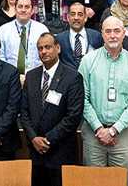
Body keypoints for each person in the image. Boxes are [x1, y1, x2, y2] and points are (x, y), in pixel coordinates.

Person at [79, 16, 128, 183]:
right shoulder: (88, 61)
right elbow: (82, 99)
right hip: (94, 135)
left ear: (124, 33)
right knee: (93, 182)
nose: (113, 35)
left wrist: (114, 130)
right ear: (102, 34)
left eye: (117, 31)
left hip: (122, 136)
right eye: (108, 31)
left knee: (121, 182)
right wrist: (99, 129)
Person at [19, 33, 84, 186]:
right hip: (36, 152)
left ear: (58, 48)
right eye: (40, 48)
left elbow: (73, 116)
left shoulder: (73, 77)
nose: (44, 52)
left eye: (48, 47)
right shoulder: (31, 76)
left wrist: (48, 140)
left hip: (61, 151)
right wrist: (34, 138)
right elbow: (24, 112)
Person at [0, 0, 51, 75]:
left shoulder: (42, 30)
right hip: (9, 76)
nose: (23, 10)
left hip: (36, 76)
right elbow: (0, 56)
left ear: (32, 10)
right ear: (15, 9)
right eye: (20, 7)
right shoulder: (3, 30)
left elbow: (47, 55)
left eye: (27, 7)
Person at [56, 2, 103, 69]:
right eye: (73, 14)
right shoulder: (59, 39)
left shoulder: (96, 36)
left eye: (80, 14)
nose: (76, 18)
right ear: (68, 17)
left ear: (85, 18)